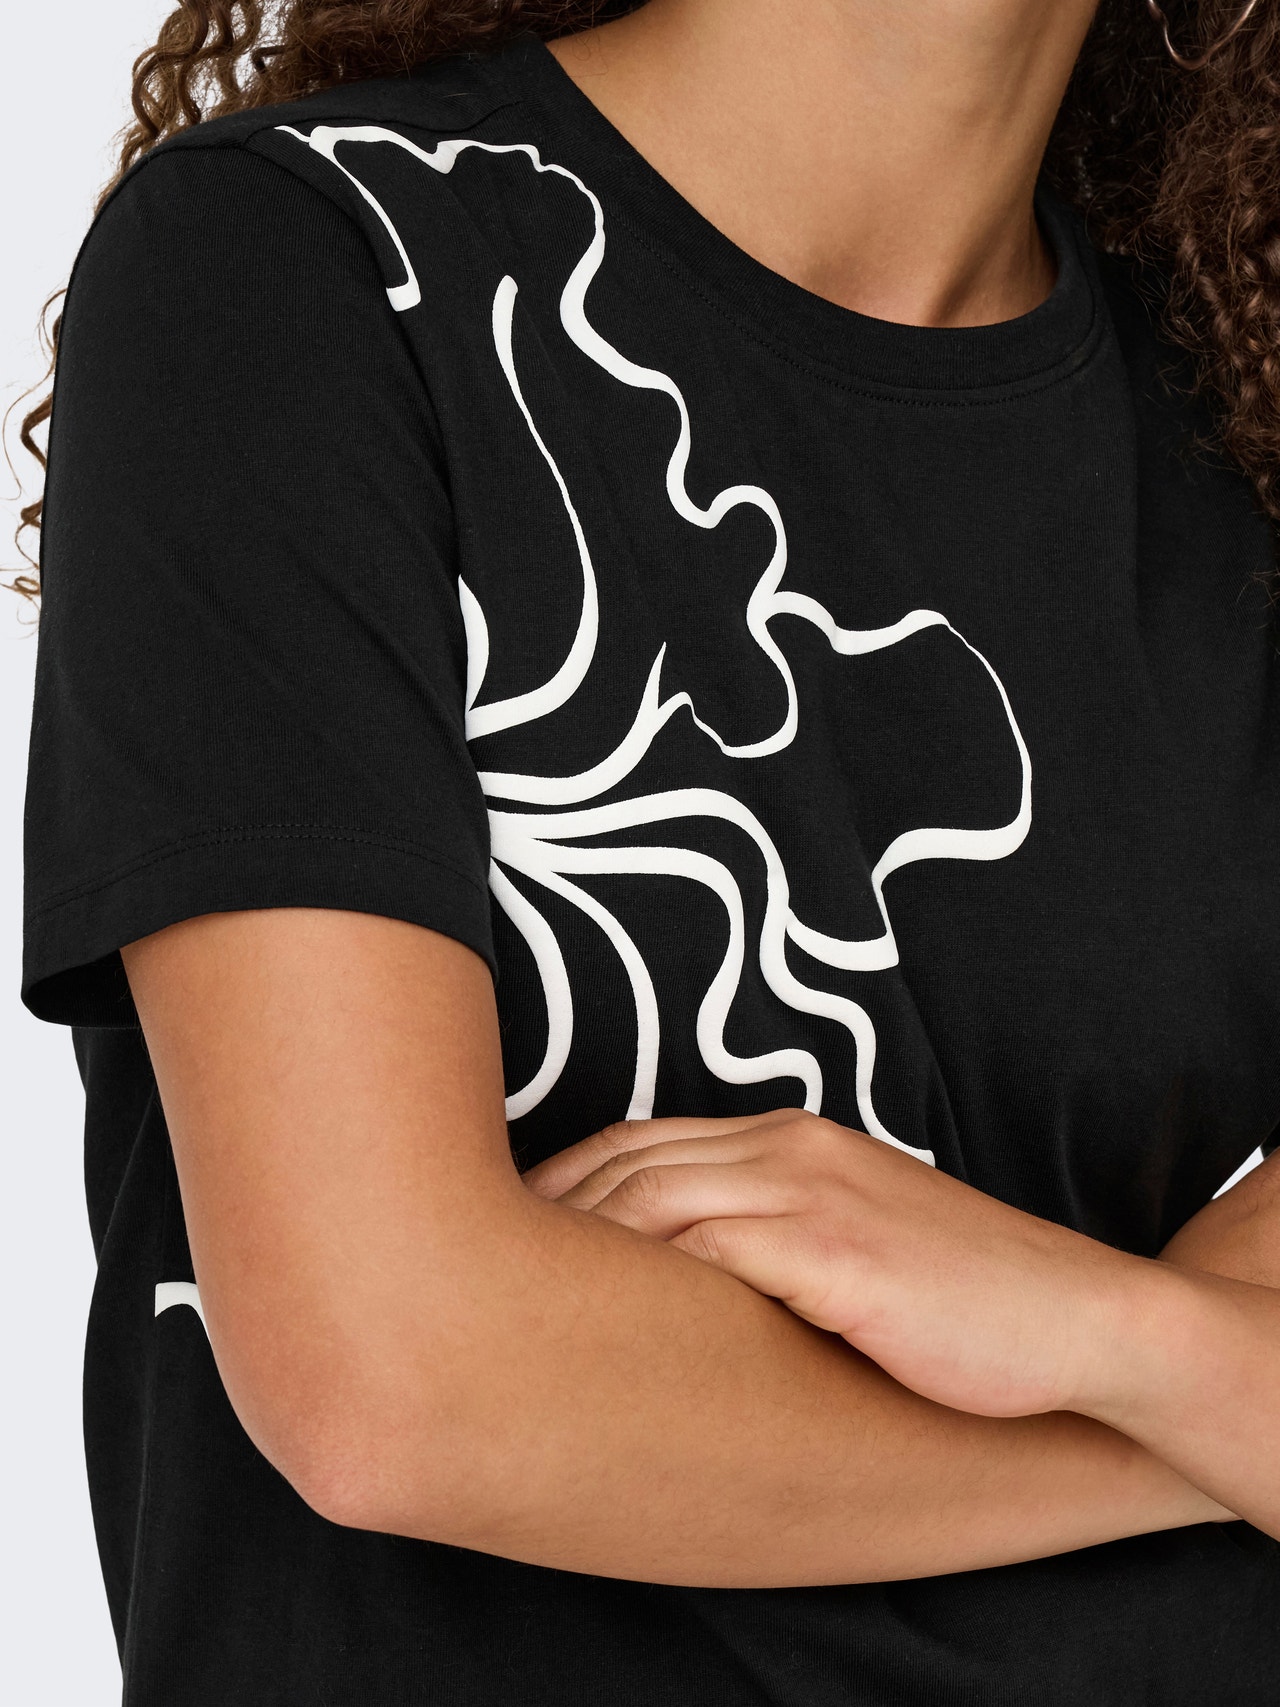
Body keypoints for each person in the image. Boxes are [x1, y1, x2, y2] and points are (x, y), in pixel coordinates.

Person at [12, 0, 1280, 1701]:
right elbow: (395, 1381)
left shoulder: (1245, 401)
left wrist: (1096, 1335)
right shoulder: (313, 266)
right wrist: (1196, 1394)